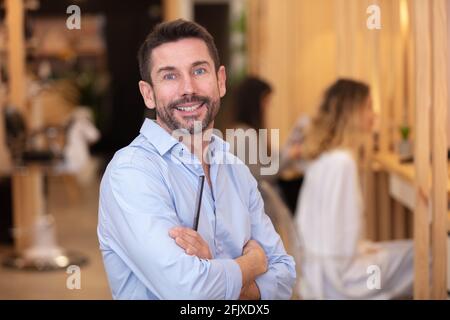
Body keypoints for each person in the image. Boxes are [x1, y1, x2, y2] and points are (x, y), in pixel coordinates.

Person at [97, 19, 296, 300]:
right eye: (169, 76)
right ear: (149, 94)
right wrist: (253, 263)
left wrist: (212, 266)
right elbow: (189, 292)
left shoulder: (235, 169)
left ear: (221, 81)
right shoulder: (131, 173)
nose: (188, 88)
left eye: (199, 70)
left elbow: (285, 274)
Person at [294, 79, 414, 299]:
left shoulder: (323, 158)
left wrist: (364, 248)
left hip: (316, 277)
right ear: (353, 112)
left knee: (401, 252)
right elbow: (342, 246)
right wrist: (364, 249)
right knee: (426, 254)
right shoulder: (343, 163)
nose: (374, 114)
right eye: (369, 106)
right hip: (345, 281)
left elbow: (330, 235)